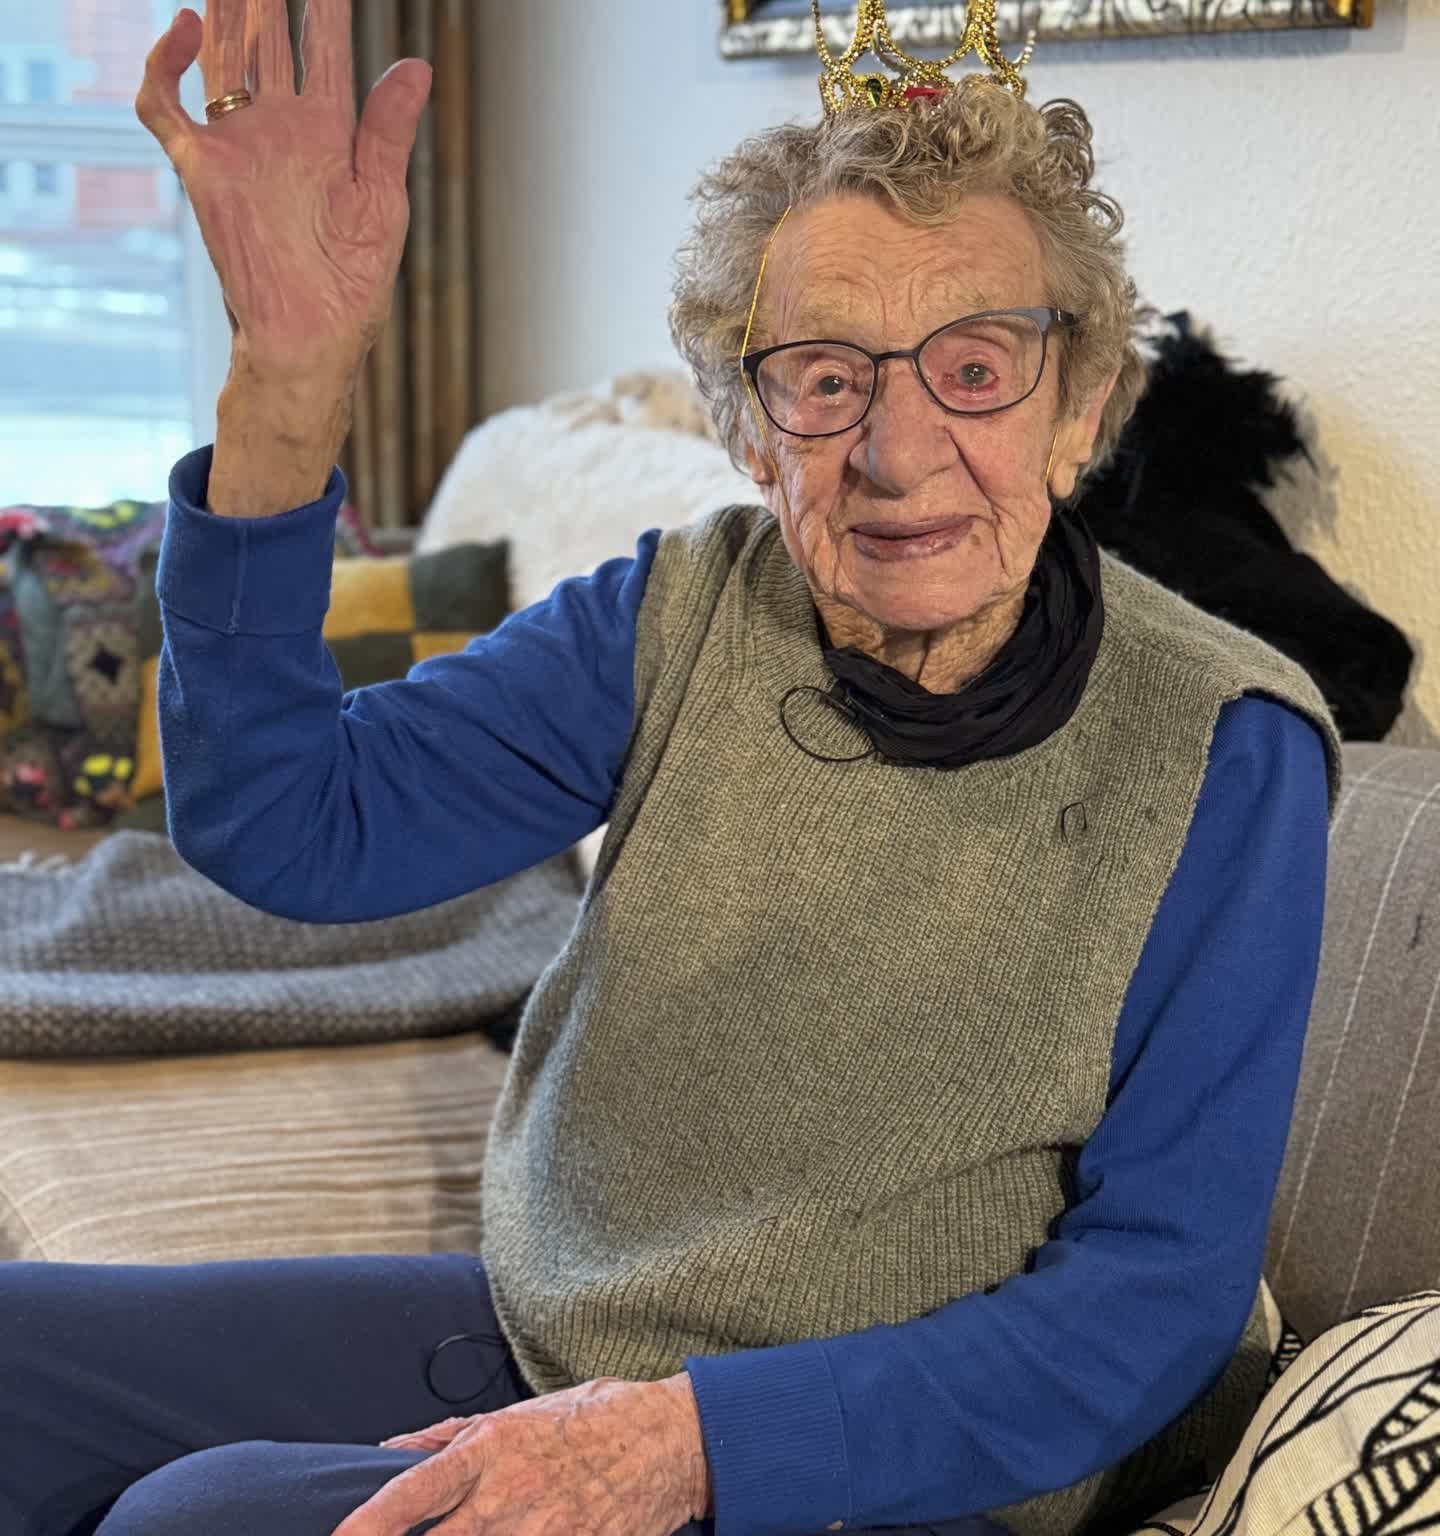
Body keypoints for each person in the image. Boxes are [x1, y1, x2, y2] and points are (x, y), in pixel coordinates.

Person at [1, 1, 1340, 1534]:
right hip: (577, 1334)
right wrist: (288, 387)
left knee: (205, 1519)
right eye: (823, 380)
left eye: (976, 367)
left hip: (911, 1460)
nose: (898, 452)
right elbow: (285, 823)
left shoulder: (1227, 744)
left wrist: (692, 1445)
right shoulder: (681, 613)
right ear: (749, 431)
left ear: (1080, 408)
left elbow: (1152, 1303)